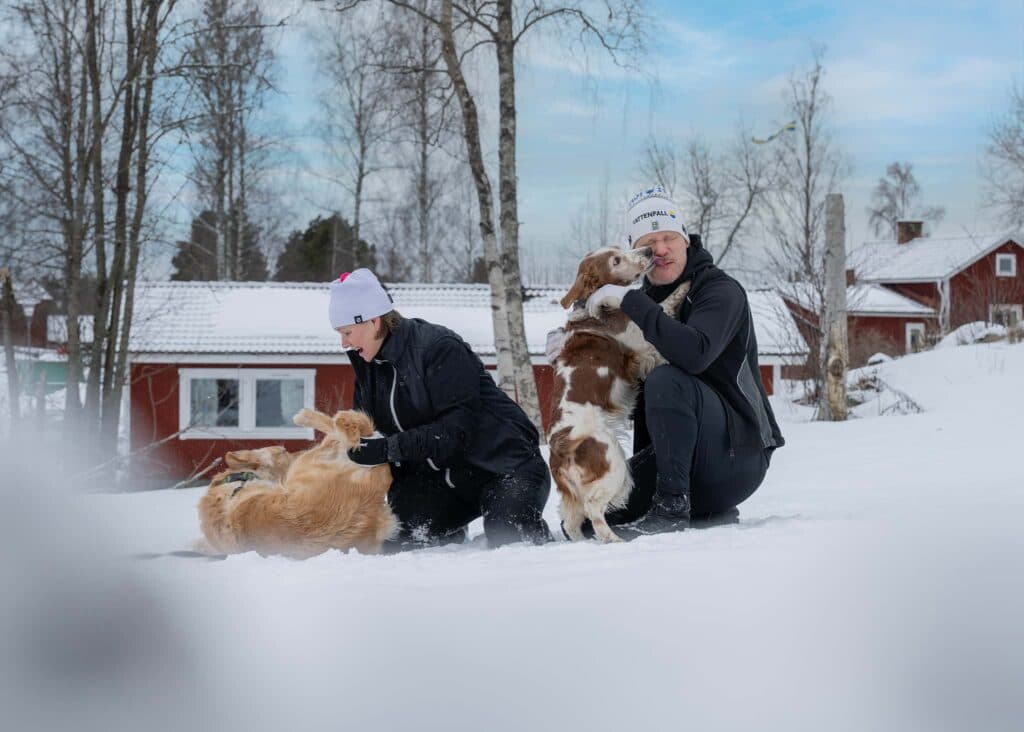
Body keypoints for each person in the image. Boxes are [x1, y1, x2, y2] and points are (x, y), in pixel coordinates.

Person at [552, 185, 784, 537]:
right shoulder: (637, 305)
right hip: (671, 465)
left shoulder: (719, 290)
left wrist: (629, 302)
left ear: (685, 240)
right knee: (588, 519)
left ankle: (674, 509)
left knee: (667, 378)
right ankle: (704, 511)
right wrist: (577, 341)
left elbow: (693, 354)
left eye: (668, 238)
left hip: (737, 458)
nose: (659, 250)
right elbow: (619, 371)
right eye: (649, 243)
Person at [329, 269, 553, 550]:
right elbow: (370, 433)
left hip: (505, 467)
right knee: (396, 541)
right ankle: (448, 536)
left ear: (374, 321)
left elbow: (456, 431)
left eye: (347, 332)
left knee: (509, 537)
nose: (344, 343)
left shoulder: (437, 348)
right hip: (444, 480)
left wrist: (387, 448)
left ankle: (536, 543)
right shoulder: (368, 368)